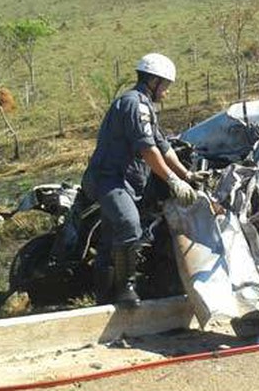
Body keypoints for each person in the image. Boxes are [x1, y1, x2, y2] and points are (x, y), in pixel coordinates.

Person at [82, 53, 206, 308]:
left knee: (109, 240)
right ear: (153, 81)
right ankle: (126, 290)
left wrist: (187, 175)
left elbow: (163, 146)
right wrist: (173, 180)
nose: (167, 92)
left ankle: (103, 299)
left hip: (122, 183)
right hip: (110, 180)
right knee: (129, 226)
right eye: (166, 86)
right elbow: (148, 150)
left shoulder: (144, 106)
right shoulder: (134, 104)